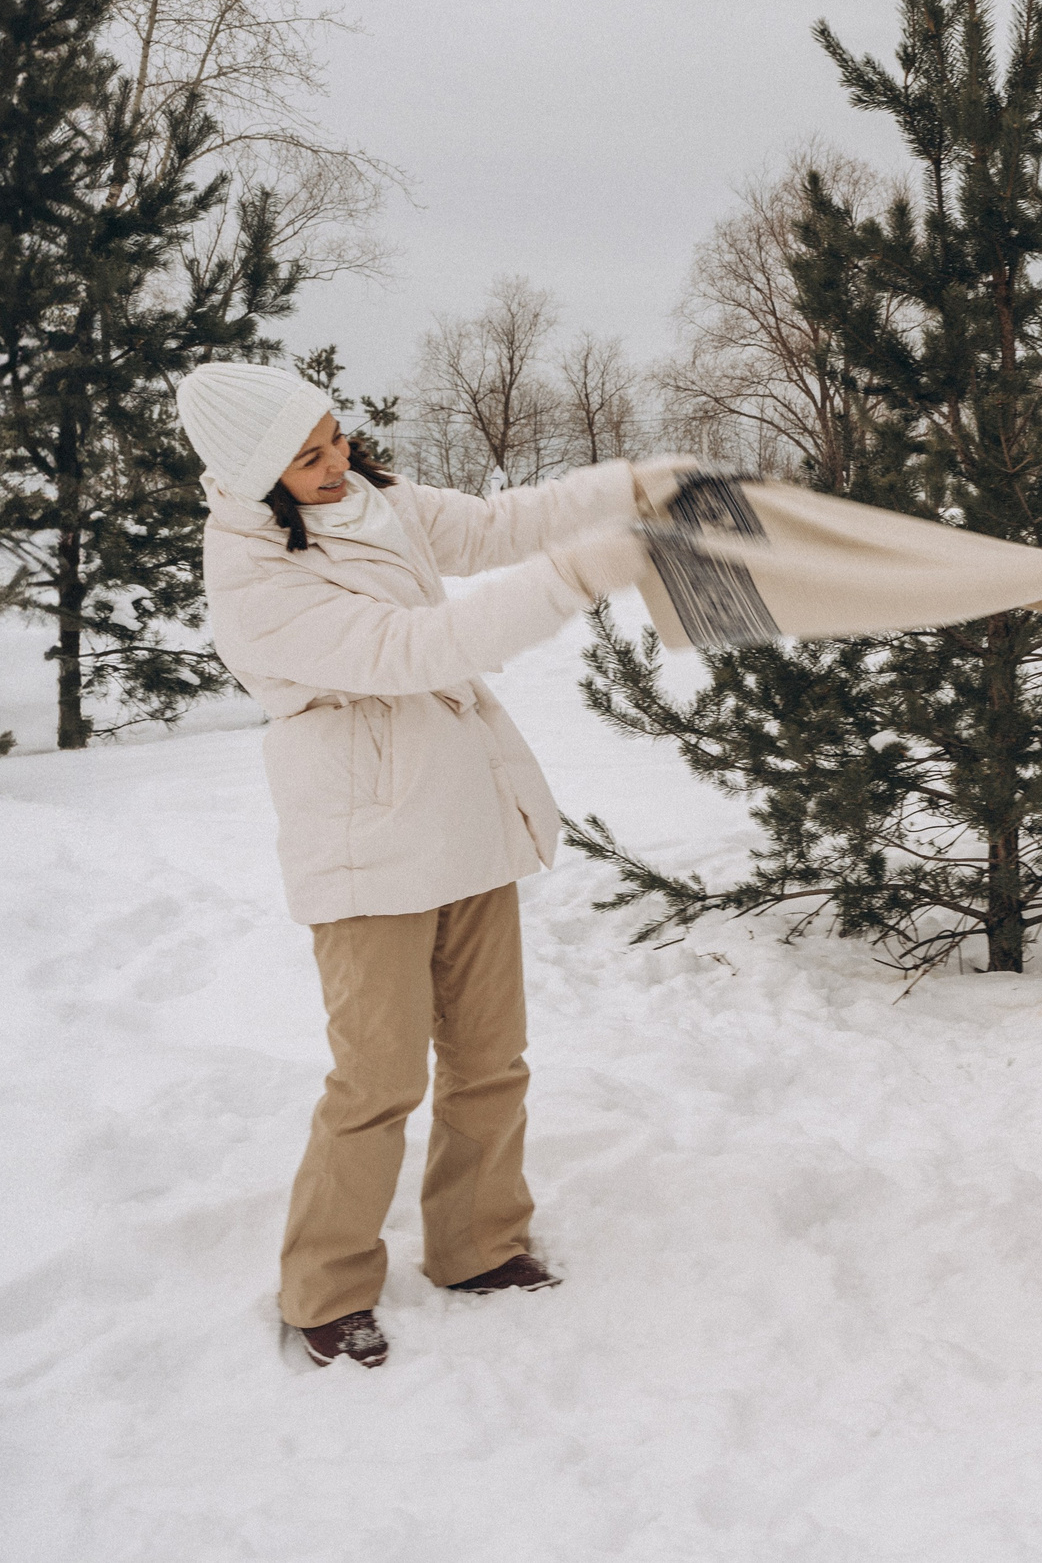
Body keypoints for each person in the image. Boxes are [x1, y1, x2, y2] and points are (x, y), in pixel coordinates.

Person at [178, 361, 678, 1368]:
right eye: (306, 456)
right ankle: (324, 1286)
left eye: (333, 434)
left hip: (462, 814)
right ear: (250, 478)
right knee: (377, 1078)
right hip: (366, 843)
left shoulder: (373, 502)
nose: (335, 462)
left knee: (491, 1055)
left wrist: (625, 485)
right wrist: (580, 574)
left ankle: (479, 1242)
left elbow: (495, 524)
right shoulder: (254, 583)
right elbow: (415, 647)